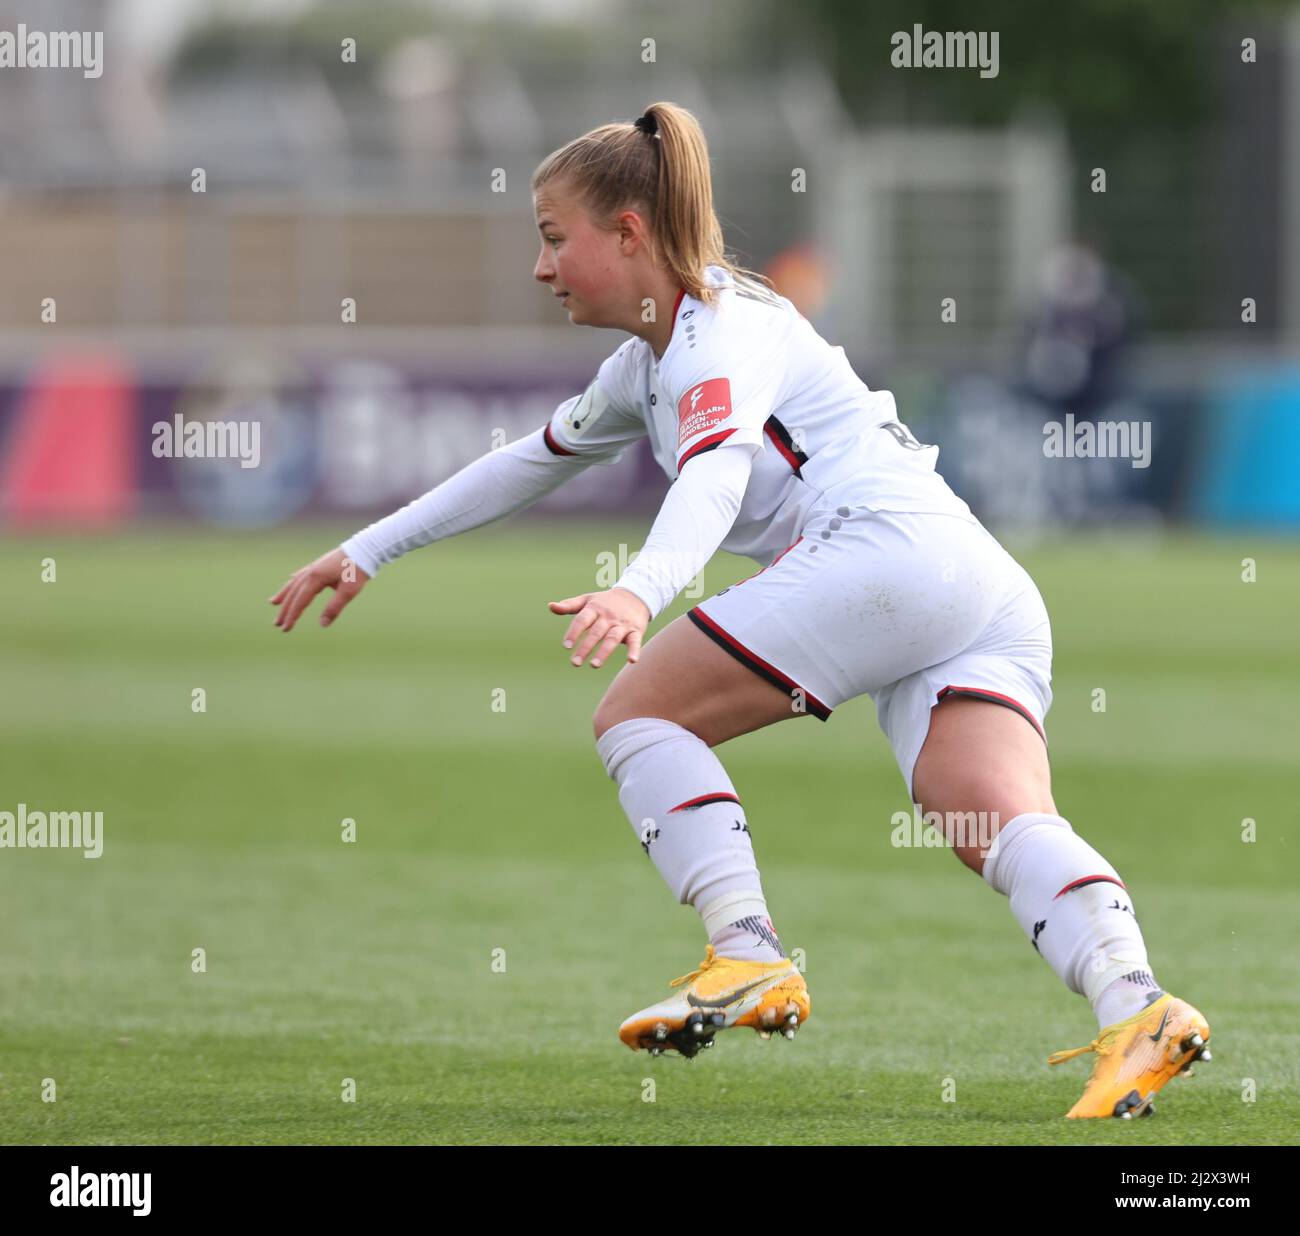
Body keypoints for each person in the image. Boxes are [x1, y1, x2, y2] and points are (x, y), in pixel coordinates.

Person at [269, 102, 1210, 1119]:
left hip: (884, 552)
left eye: (552, 237)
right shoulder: (649, 361)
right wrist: (368, 548)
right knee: (993, 817)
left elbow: (716, 472)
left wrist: (638, 587)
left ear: (629, 233)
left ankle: (746, 952)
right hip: (971, 578)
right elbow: (526, 462)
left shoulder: (722, 331)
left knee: (637, 715)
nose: (542, 268)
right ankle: (1138, 1007)